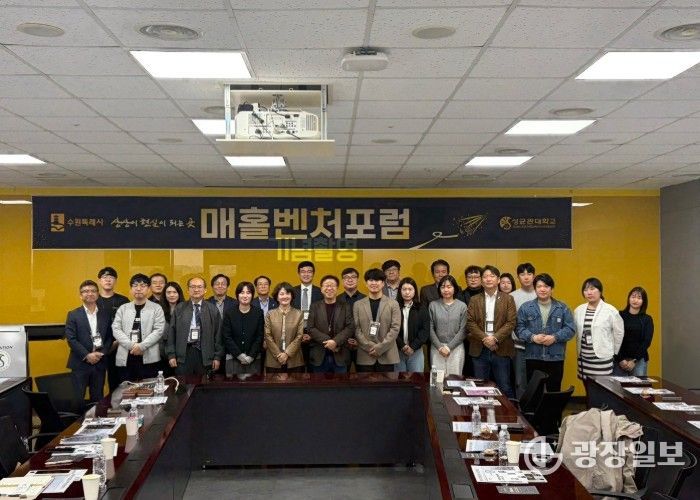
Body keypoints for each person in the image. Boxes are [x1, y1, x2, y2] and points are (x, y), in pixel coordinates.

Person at [515, 273, 575, 392]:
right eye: (539, 286)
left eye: (546, 286)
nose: (542, 289)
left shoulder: (562, 308)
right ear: (535, 289)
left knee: (554, 391)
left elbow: (570, 329)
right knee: (534, 393)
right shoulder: (525, 308)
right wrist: (533, 337)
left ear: (552, 289)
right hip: (533, 356)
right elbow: (518, 328)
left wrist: (555, 337)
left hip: (555, 358)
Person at [467, 265, 517, 398]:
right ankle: (482, 410)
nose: (488, 279)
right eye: (485, 276)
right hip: (479, 348)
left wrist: (494, 338)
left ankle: (508, 411)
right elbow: (470, 322)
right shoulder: (474, 299)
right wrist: (485, 338)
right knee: (480, 386)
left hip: (501, 348)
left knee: (504, 386)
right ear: (482, 280)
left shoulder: (508, 299)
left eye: (492, 276)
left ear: (498, 280)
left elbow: (511, 322)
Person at [65, 279, 112, 405]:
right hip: (80, 363)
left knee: (98, 398)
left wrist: (101, 353)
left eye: (93, 291)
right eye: (85, 291)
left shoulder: (105, 314)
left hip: (99, 363)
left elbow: (109, 337)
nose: (89, 293)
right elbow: (71, 339)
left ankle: (97, 418)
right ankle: (78, 419)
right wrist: (87, 355)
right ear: (80, 295)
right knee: (77, 398)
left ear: (98, 294)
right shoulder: (73, 314)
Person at [112, 274, 166, 382]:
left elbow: (158, 330)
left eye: (142, 285)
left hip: (149, 357)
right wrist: (132, 346)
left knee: (149, 388)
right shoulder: (123, 308)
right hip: (126, 357)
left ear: (148, 288)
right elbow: (116, 329)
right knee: (126, 389)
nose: (138, 288)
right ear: (131, 289)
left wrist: (141, 346)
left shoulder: (156, 308)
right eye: (135, 285)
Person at [166, 276, 223, 377]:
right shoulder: (180, 308)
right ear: (188, 290)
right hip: (184, 354)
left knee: (204, 384)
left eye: (199, 287)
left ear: (205, 290)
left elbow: (218, 335)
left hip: (205, 354)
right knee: (183, 384)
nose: (196, 289)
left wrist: (217, 357)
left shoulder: (212, 309)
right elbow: (171, 333)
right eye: (193, 287)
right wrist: (171, 355)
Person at [574, 277, 624, 381]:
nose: (589, 292)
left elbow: (619, 333)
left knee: (602, 386)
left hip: (603, 358)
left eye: (592, 289)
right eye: (586, 290)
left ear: (600, 291)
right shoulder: (578, 310)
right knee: (587, 385)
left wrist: (613, 352)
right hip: (584, 359)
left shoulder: (610, 310)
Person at [353, 268, 401, 372]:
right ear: (366, 283)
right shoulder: (358, 305)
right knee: (364, 383)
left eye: (377, 280)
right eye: (371, 280)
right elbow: (356, 329)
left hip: (387, 355)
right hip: (365, 355)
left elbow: (395, 329)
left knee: (387, 383)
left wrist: (380, 348)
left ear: (383, 283)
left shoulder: (393, 304)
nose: (374, 283)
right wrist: (369, 346)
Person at [307, 275, 354, 373]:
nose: (329, 288)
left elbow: (350, 327)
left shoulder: (345, 306)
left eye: (332, 285)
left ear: (337, 289)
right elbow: (310, 328)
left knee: (341, 383)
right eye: (326, 285)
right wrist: (329, 341)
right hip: (319, 354)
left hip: (340, 354)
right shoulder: (314, 306)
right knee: (318, 382)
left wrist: (336, 341)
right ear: (321, 289)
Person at [96, 266, 129, 392]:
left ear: (115, 280)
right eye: (104, 277)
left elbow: (129, 324)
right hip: (98, 347)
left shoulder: (123, 300)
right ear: (99, 280)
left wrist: (117, 342)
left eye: (111, 277)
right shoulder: (94, 299)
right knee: (96, 384)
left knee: (116, 383)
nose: (108, 280)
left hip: (118, 346)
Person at [222, 281, 264, 375]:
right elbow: (226, 337)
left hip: (253, 358)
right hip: (233, 358)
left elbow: (260, 336)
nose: (245, 296)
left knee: (254, 383)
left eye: (248, 293)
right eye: (242, 292)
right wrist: (239, 355)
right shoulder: (229, 313)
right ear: (237, 295)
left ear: (252, 295)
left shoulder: (258, 313)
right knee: (232, 384)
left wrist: (251, 356)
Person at [429, 275, 467, 376]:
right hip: (437, 347)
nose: (446, 290)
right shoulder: (433, 305)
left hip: (456, 348)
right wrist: (440, 347)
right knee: (437, 379)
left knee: (455, 379)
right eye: (443, 287)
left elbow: (463, 330)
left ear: (455, 289)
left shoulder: (462, 306)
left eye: (449, 287)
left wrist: (449, 347)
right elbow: (430, 328)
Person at [265, 282, 305, 373]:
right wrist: (278, 354)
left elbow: (299, 336)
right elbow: (267, 335)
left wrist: (287, 353)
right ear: (277, 297)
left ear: (292, 296)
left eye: (287, 293)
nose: (285, 296)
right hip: (273, 359)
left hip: (294, 359)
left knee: (295, 382)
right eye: (281, 294)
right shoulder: (270, 314)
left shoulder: (299, 314)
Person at [614, 287, 654, 377]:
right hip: (620, 360)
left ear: (643, 301)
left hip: (639, 360)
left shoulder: (647, 319)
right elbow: (613, 338)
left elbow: (647, 341)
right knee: (618, 386)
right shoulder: (619, 315)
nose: (635, 300)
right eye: (633, 296)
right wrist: (620, 359)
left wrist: (634, 360)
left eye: (639, 298)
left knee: (638, 385)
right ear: (629, 298)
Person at [510, 263, 537, 397]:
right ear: (518, 277)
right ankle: (521, 409)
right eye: (522, 274)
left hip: (539, 347)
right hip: (519, 346)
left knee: (537, 380)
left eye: (529, 274)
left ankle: (537, 409)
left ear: (534, 276)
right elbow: (510, 322)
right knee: (520, 381)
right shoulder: (512, 296)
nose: (526, 277)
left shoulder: (541, 293)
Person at [292, 261, 322, 370]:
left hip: (316, 335)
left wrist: (312, 334)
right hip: (295, 335)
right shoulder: (291, 292)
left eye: (309, 271)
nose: (306, 274)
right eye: (303, 271)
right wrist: (299, 334)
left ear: (313, 273)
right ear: (298, 274)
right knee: (297, 370)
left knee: (314, 370)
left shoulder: (321, 292)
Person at [396, 277, 429, 372]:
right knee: (399, 379)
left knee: (416, 379)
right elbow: (391, 329)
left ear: (415, 291)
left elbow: (425, 330)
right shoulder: (394, 307)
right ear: (400, 291)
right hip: (398, 350)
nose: (407, 292)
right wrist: (402, 346)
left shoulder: (421, 308)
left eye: (410, 289)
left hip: (416, 351)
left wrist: (413, 347)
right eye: (404, 289)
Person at [337, 267, 366, 371]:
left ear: (357, 279)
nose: (350, 280)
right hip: (342, 346)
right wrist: (344, 340)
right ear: (342, 281)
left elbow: (368, 323)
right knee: (341, 377)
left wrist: (359, 341)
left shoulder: (366, 299)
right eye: (346, 277)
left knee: (364, 377)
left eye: (353, 277)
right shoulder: (336, 300)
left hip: (362, 346)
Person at [158, 281, 184, 377]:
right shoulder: (158, 310)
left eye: (174, 292)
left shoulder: (186, 309)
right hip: (162, 353)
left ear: (179, 294)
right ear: (164, 295)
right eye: (168, 292)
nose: (171, 295)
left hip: (181, 353)